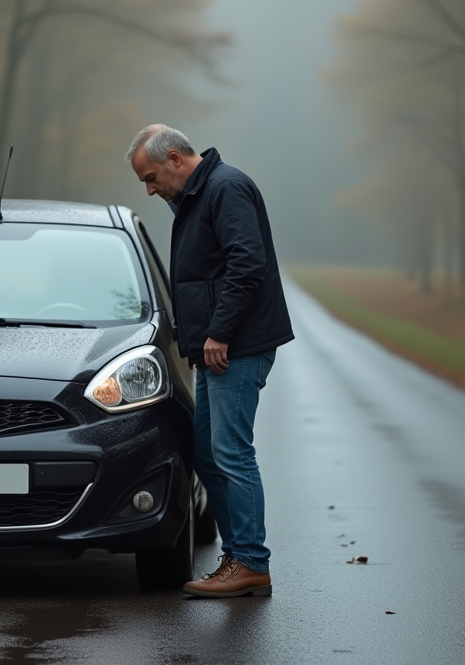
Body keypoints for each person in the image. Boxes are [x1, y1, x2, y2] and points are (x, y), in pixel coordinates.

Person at [126, 124, 294, 598]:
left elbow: (247, 263)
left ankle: (250, 561)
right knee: (206, 452)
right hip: (215, 348)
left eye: (152, 176)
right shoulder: (199, 195)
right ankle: (237, 557)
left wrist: (219, 331)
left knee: (232, 453)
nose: (150, 188)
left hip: (236, 346)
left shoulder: (226, 188)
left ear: (176, 159)